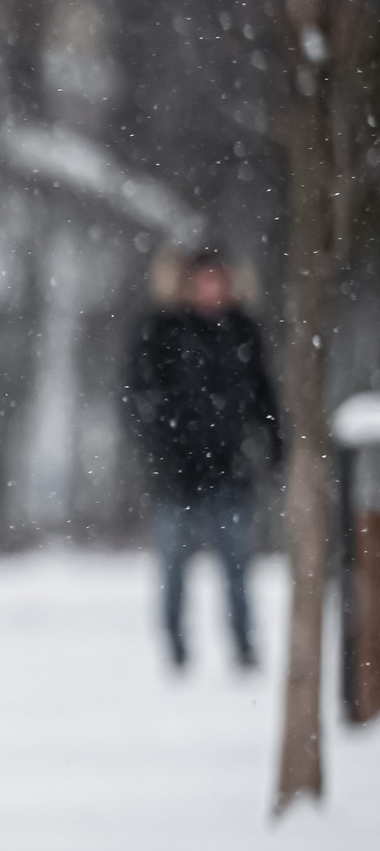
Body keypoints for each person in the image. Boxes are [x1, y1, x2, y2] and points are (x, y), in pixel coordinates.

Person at [126, 249, 283, 672]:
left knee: (237, 569)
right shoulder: (160, 330)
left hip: (231, 471)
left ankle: (244, 647)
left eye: (218, 281)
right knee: (174, 571)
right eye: (202, 281)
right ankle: (175, 650)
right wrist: (162, 450)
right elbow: (139, 399)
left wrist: (275, 448)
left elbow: (264, 397)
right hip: (175, 476)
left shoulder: (243, 331)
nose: (211, 290)